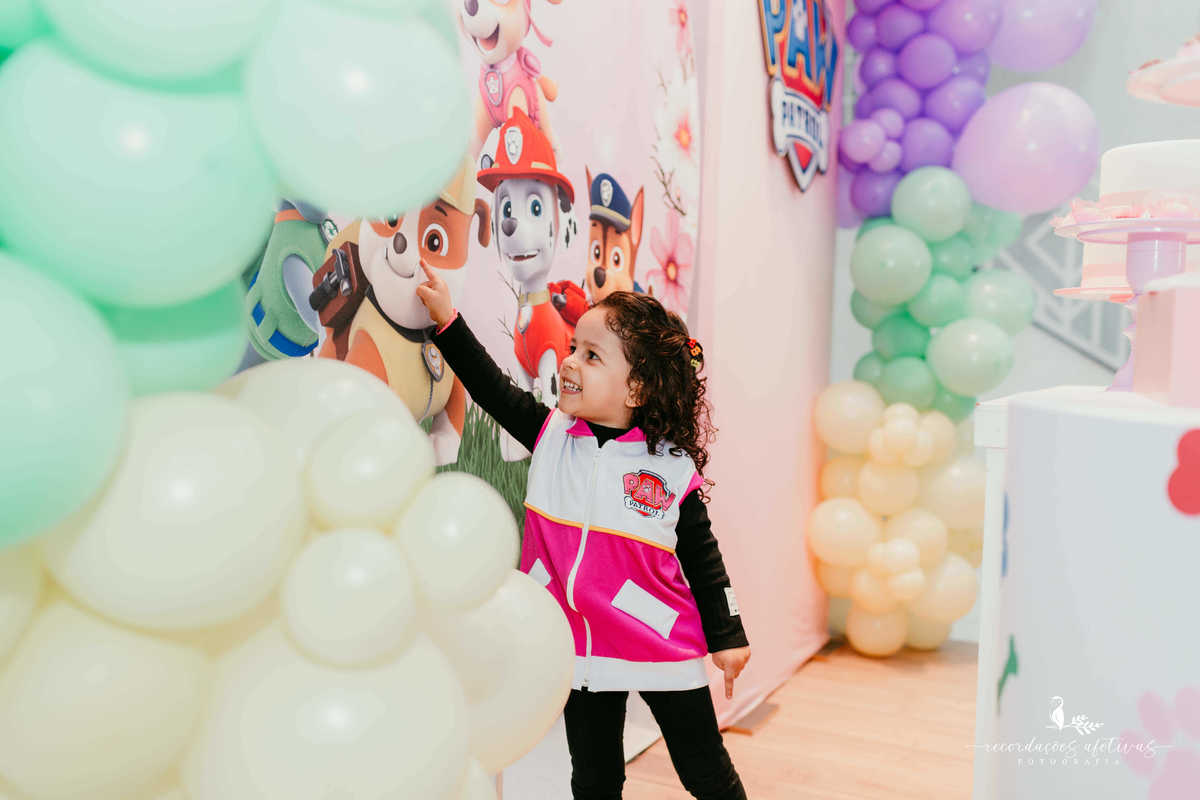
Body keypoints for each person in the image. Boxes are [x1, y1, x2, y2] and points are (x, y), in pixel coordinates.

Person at [418, 266, 751, 800]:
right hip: (580, 648)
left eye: (592, 356)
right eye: (574, 348)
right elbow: (490, 388)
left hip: (661, 642)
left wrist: (728, 633)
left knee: (704, 771)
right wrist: (447, 321)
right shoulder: (552, 436)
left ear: (637, 388)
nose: (569, 363)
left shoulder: (670, 468)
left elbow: (704, 560)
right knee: (594, 779)